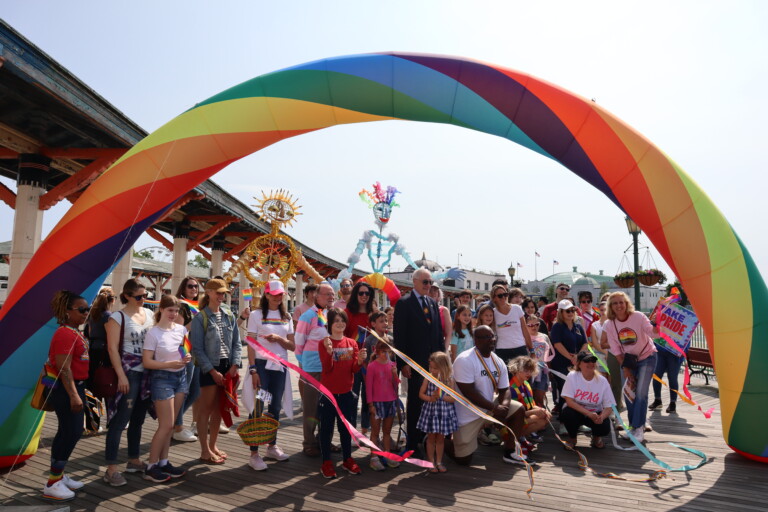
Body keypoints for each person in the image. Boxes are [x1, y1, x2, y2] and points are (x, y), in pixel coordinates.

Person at [445, 325, 528, 466]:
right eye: (486, 337)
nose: (492, 340)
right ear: (476, 340)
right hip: (469, 413)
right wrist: (495, 409)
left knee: (518, 409)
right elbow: (469, 392)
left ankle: (510, 452)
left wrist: (504, 407)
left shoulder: (498, 361)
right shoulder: (464, 359)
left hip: (489, 407)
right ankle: (441, 441)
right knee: (463, 460)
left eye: (493, 336)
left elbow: (505, 389)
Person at [103, 279, 154, 487]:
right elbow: (112, 349)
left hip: (147, 371)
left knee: (139, 419)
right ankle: (111, 468)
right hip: (129, 371)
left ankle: (133, 459)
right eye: (139, 296)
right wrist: (121, 375)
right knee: (120, 420)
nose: (143, 299)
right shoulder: (118, 317)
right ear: (127, 296)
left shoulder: (149, 314)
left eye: (145, 296)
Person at [42, 291, 91, 502]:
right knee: (71, 432)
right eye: (82, 310)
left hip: (77, 386)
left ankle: (58, 475)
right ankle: (53, 482)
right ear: (68, 312)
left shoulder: (75, 332)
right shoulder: (64, 334)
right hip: (67, 389)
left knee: (67, 431)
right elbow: (64, 368)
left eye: (87, 309)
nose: (86, 313)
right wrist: (74, 395)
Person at [190, 278, 241, 464]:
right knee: (205, 409)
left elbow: (237, 342)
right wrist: (211, 371)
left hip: (227, 366)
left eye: (223, 293)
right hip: (209, 368)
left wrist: (235, 365)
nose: (221, 296)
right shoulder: (200, 318)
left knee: (219, 409)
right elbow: (197, 349)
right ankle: (204, 449)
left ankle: (213, 445)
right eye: (218, 292)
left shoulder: (229, 314)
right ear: (209, 293)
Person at [393, 268, 445, 455]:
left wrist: (441, 360)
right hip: (414, 364)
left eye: (430, 282)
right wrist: (403, 363)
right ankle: (413, 444)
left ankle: (427, 439)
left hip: (433, 365)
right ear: (414, 281)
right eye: (425, 282)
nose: (428, 285)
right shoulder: (404, 303)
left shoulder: (432, 303)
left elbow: (438, 334)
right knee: (415, 402)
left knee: (432, 401)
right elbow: (400, 336)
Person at [245, 280, 295, 470]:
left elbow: (292, 346)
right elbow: (250, 343)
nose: (277, 297)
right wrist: (252, 369)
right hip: (261, 367)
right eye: (273, 294)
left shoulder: (286, 316)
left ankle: (271, 446)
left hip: (279, 367)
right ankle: (254, 453)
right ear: (266, 295)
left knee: (274, 405)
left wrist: (280, 339)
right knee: (259, 406)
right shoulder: (256, 315)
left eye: (280, 294)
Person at [141, 295, 191, 482]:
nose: (173, 314)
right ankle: (151, 465)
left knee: (171, 426)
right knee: (166, 425)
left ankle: (164, 462)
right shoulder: (153, 333)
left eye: (176, 311)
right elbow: (147, 361)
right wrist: (169, 364)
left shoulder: (180, 329)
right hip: (162, 378)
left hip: (180, 377)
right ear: (161, 309)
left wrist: (185, 358)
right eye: (170, 310)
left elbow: (184, 350)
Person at [318, 308, 367, 478]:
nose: (340, 323)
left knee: (346, 429)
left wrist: (360, 361)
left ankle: (347, 459)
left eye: (342, 320)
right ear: (330, 323)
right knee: (326, 429)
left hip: (347, 393)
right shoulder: (324, 342)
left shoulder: (351, 343)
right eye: (336, 320)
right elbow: (327, 368)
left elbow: (353, 369)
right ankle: (326, 462)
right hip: (329, 394)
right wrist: (329, 352)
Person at [603, 292, 658, 442]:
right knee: (629, 392)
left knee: (641, 392)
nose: (619, 305)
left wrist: (658, 325)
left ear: (627, 303)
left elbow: (652, 333)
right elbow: (615, 349)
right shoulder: (609, 324)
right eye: (615, 303)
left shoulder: (638, 316)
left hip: (647, 356)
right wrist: (625, 368)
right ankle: (633, 427)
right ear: (610, 307)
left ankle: (639, 427)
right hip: (628, 361)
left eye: (621, 302)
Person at [295, 282, 336, 456]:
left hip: (329, 368)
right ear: (316, 296)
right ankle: (309, 443)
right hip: (312, 368)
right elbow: (298, 342)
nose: (331, 297)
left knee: (327, 408)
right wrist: (303, 364)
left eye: (332, 295)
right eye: (327, 294)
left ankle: (324, 439)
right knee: (311, 407)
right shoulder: (307, 316)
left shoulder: (331, 315)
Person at [560, 352, 615, 449]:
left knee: (605, 425)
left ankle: (596, 438)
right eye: (587, 361)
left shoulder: (602, 380)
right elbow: (569, 401)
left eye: (593, 360)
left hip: (595, 413)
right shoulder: (572, 376)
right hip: (577, 411)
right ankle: (572, 438)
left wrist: (601, 417)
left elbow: (609, 406)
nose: (591, 363)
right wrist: (588, 414)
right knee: (567, 414)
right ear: (579, 364)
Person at [417, 352, 458, 473]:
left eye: (435, 368)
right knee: (431, 439)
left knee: (440, 439)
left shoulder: (449, 380)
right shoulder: (428, 377)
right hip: (431, 412)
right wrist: (430, 398)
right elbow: (421, 394)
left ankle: (439, 461)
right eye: (431, 367)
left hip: (443, 414)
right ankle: (430, 462)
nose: (432, 370)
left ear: (443, 367)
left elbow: (453, 398)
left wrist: (441, 397)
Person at [172, 276, 202, 443]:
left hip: (197, 351)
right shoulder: (181, 306)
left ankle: (175, 420)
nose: (194, 289)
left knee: (195, 390)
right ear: (183, 288)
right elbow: (179, 330)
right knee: (184, 389)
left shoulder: (196, 306)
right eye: (190, 286)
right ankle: (177, 427)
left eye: (196, 286)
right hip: (185, 350)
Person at [345, 280, 376, 434]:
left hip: (371, 362)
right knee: (352, 396)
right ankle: (351, 431)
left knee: (368, 396)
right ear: (355, 294)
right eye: (361, 293)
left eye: (367, 293)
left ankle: (365, 428)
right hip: (353, 361)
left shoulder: (374, 313)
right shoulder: (348, 312)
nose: (364, 296)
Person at [365, 340, 400, 471]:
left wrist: (395, 374)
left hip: (390, 401)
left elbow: (395, 385)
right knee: (375, 432)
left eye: (388, 351)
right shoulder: (372, 366)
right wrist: (370, 404)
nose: (386, 354)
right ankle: (374, 458)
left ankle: (387, 455)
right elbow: (368, 387)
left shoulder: (392, 365)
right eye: (383, 351)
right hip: (377, 402)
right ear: (377, 351)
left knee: (387, 432)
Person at [549, 300, 587, 416]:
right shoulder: (557, 327)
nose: (571, 313)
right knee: (565, 390)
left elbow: (585, 343)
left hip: (576, 363)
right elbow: (557, 344)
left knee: (577, 391)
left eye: (572, 310)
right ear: (561, 312)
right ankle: (563, 420)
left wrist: (578, 357)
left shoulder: (578, 326)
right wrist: (572, 358)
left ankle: (577, 418)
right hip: (561, 363)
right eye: (567, 311)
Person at [84, 287, 115, 434]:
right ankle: (111, 420)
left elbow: (88, 334)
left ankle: (92, 424)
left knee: (92, 387)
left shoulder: (92, 314)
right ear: (112, 300)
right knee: (108, 385)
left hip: (92, 352)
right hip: (105, 353)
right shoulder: (109, 316)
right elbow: (111, 337)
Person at [507, 356, 551, 455]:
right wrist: (534, 412)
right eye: (526, 370)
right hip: (510, 425)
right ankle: (513, 441)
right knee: (537, 419)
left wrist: (542, 410)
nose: (529, 373)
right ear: (517, 369)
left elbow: (531, 405)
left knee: (545, 418)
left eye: (531, 370)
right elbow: (513, 415)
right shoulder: (511, 388)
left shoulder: (526, 384)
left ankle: (520, 438)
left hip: (521, 418)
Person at [491, 284, 532, 363]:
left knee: (524, 375)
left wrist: (532, 350)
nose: (503, 297)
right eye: (500, 296)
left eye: (505, 294)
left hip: (520, 349)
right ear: (494, 298)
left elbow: (525, 331)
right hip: (502, 351)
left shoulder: (517, 308)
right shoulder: (493, 313)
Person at [649, 334, 685, 414]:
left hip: (674, 353)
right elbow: (652, 329)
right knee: (656, 375)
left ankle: (673, 403)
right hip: (661, 350)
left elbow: (687, 335)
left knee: (672, 377)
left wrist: (683, 350)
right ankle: (657, 400)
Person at [525, 316, 554, 408]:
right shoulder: (523, 337)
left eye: (536, 324)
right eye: (530, 325)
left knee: (540, 397)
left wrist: (549, 368)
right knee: (530, 397)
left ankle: (542, 417)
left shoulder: (544, 336)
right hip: (528, 370)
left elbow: (549, 353)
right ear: (525, 326)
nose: (534, 327)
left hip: (542, 370)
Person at [429, 284, 453, 353]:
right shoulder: (421, 309)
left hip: (439, 349)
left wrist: (444, 350)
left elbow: (449, 333)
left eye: (435, 290)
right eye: (430, 290)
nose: (433, 293)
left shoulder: (444, 310)